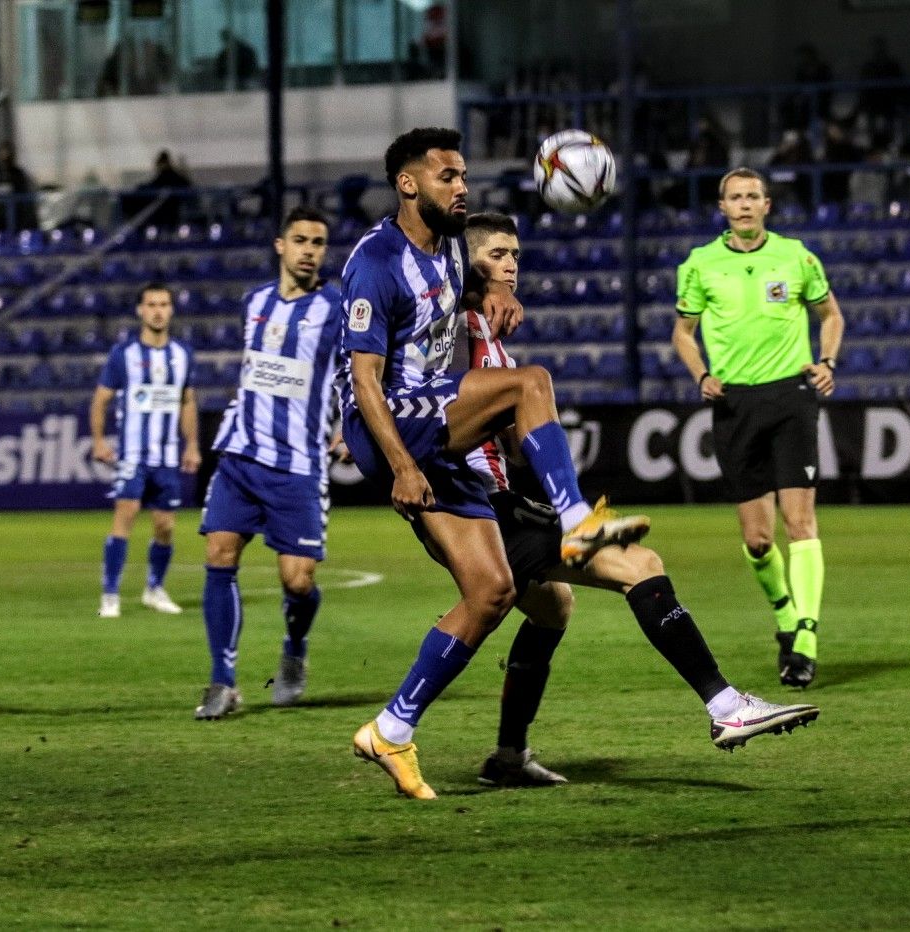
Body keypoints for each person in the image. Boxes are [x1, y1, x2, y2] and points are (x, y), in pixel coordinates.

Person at [336, 128, 674, 800]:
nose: (461, 188)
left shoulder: (451, 255)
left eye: (463, 177)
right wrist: (402, 465)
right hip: (395, 423)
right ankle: (576, 521)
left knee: (490, 592)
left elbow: (444, 308)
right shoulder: (375, 260)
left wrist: (486, 297)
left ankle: (391, 730)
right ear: (408, 184)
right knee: (530, 383)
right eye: (447, 177)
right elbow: (366, 382)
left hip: (437, 430)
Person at [452, 212, 820, 786]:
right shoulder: (456, 322)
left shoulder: (490, 338)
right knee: (639, 566)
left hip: (500, 501)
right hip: (478, 507)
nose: (512, 267)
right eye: (498, 254)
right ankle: (725, 705)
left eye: (516, 256)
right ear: (467, 260)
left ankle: (505, 757)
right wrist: (479, 286)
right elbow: (428, 312)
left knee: (553, 607)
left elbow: (505, 442)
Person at [672, 167, 846, 688]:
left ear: (767, 205)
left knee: (801, 523)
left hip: (791, 396)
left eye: (753, 196)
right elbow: (682, 332)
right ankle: (787, 620)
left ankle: (806, 643)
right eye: (735, 197)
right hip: (734, 403)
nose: (744, 204)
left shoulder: (797, 257)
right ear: (722, 207)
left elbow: (831, 315)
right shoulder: (699, 264)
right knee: (756, 539)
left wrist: (828, 361)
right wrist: (699, 373)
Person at [192, 207, 341, 719]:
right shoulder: (253, 302)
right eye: (299, 239)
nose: (308, 250)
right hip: (240, 454)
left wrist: (352, 423)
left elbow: (367, 369)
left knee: (297, 582)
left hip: (299, 464)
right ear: (280, 245)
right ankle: (223, 681)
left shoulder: (339, 308)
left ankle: (295, 648)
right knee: (219, 554)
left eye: (318, 243)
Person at [90, 283, 199, 619]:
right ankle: (110, 595)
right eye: (151, 304)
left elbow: (187, 401)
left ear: (171, 310)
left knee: (165, 525)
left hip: (166, 456)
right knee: (126, 512)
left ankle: (155, 588)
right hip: (133, 455)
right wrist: (98, 440)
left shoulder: (182, 355)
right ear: (140, 310)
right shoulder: (124, 354)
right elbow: (101, 400)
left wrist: (192, 444)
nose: (157, 310)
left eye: (164, 304)